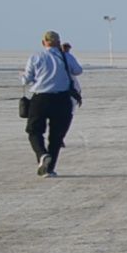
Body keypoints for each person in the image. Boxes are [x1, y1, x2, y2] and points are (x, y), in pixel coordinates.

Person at [21, 30, 82, 176]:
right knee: (56, 136)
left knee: (34, 131)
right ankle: (50, 168)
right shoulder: (65, 56)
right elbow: (78, 71)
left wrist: (22, 76)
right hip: (62, 100)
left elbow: (26, 79)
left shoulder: (36, 56)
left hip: (40, 99)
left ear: (44, 42)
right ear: (58, 42)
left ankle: (42, 155)